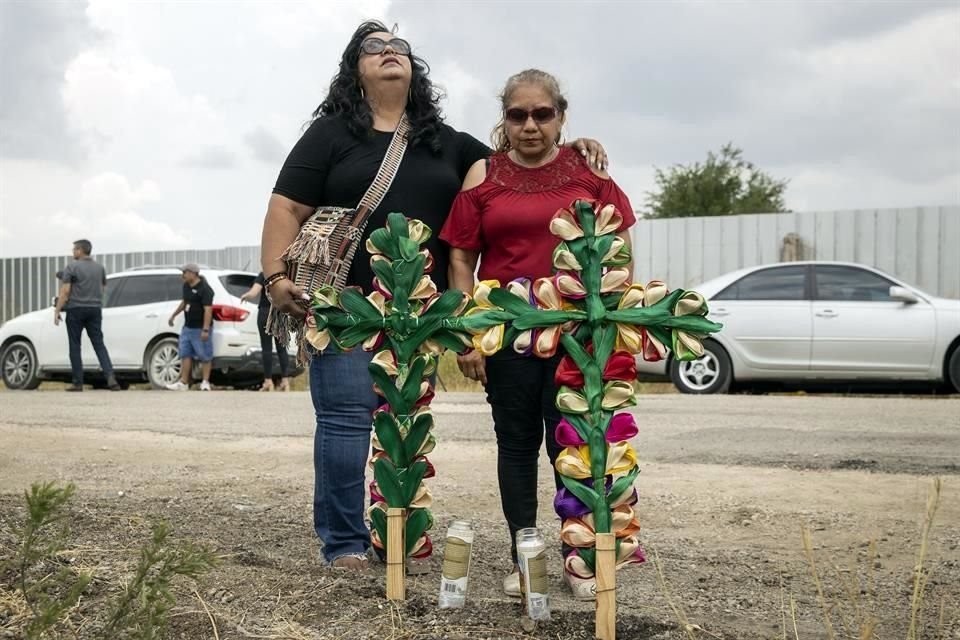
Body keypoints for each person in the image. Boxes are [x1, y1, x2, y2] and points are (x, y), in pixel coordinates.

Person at [261, 20, 608, 572]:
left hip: (416, 315)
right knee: (348, 420)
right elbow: (286, 208)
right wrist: (276, 276)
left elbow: (521, 157)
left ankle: (392, 536)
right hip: (345, 305)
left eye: (399, 47)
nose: (389, 53)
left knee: (402, 425)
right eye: (374, 49)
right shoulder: (330, 136)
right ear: (356, 68)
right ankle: (345, 541)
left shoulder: (448, 143)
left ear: (414, 67)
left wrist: (575, 146)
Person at [440, 69, 636, 600]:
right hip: (507, 338)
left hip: (577, 339)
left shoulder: (587, 170)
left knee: (575, 443)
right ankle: (524, 559)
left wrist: (610, 321)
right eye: (517, 114)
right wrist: (468, 333)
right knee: (518, 445)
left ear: (561, 116)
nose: (530, 125)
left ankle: (582, 559)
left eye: (542, 114)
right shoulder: (483, 176)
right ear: (504, 119)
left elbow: (618, 249)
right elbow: (461, 256)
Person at [53, 239, 121, 392]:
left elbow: (65, 292)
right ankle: (110, 377)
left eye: (74, 249)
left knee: (75, 345)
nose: (72, 252)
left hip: (76, 309)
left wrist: (57, 310)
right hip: (95, 309)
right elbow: (103, 288)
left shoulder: (72, 267)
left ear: (80, 250)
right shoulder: (100, 268)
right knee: (99, 344)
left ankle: (78, 382)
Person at [165, 264, 214, 391]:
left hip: (200, 327)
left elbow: (208, 310)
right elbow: (185, 302)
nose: (183, 275)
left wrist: (205, 329)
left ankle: (205, 382)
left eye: (185, 272)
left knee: (205, 354)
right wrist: (174, 315)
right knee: (185, 353)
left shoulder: (205, 289)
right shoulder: (186, 286)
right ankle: (183, 382)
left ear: (193, 273)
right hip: (188, 327)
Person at [239, 272, 291, 391]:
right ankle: (285, 381)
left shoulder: (264, 274)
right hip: (280, 312)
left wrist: (247, 295)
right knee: (282, 348)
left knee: (266, 348)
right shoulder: (285, 274)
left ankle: (268, 381)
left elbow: (254, 292)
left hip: (265, 312)